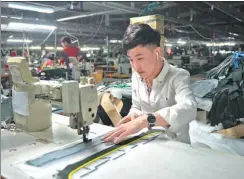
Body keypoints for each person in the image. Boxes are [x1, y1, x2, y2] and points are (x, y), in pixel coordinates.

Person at [103, 24, 197, 144]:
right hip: (149, 142)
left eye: (140, 58)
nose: (136, 67)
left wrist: (146, 120)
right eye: (131, 60)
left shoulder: (178, 76)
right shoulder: (137, 76)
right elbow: (137, 105)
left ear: (157, 52)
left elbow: (189, 108)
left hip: (176, 145)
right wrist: (134, 115)